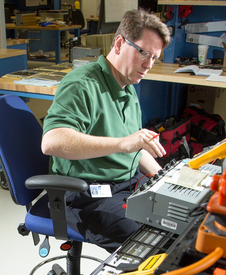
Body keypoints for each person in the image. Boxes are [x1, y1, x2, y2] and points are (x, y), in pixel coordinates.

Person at [41, 8, 170, 252]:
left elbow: (136, 148)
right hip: (86, 194)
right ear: (120, 43)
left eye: (155, 57)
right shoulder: (82, 84)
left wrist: (167, 181)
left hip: (126, 184)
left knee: (173, 222)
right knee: (148, 245)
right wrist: (123, 143)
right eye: (144, 53)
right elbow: (52, 142)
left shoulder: (126, 84)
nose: (149, 64)